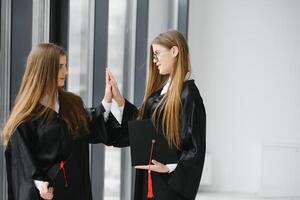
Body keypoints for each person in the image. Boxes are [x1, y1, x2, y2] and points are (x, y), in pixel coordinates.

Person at [2, 43, 128, 200]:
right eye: (60, 66)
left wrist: (108, 101)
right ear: (45, 69)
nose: (66, 72)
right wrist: (40, 183)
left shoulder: (72, 103)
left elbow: (89, 127)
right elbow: (22, 161)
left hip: (76, 190)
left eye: (66, 65)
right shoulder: (26, 116)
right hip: (48, 194)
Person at [107, 30, 206, 200]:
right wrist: (120, 100)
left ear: (174, 51)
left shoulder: (189, 95)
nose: (154, 61)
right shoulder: (161, 93)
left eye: (157, 54)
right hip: (150, 178)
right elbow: (144, 126)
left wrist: (168, 167)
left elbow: (195, 148)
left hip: (168, 185)